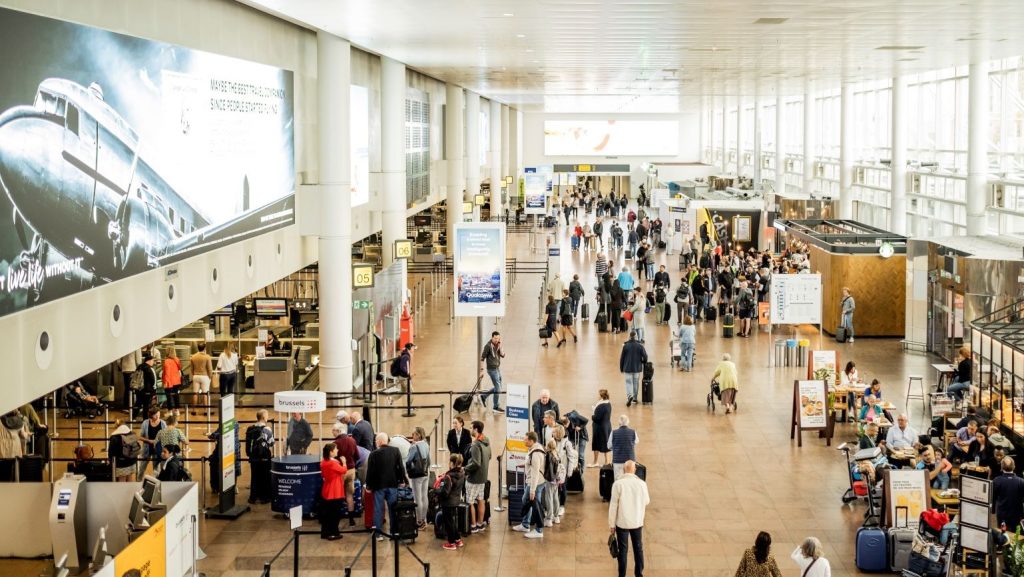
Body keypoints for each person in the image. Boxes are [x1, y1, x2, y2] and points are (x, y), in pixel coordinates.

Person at [608, 460, 650, 577]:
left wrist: (612, 525)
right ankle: (639, 573)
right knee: (638, 549)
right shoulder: (642, 484)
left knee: (623, 551)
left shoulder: (618, 484)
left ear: (624, 470)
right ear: (634, 470)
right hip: (637, 521)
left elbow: (613, 506)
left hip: (622, 523)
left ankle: (622, 575)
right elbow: (647, 501)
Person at [365, 432, 408, 540]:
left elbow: (370, 472)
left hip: (378, 486)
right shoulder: (395, 451)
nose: (375, 442)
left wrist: (369, 486)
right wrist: (402, 480)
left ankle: (378, 534)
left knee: (378, 510)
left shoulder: (373, 454)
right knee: (393, 509)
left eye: (376, 441)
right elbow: (400, 468)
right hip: (392, 484)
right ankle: (394, 533)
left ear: (379, 441)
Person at [512, 432, 547, 539]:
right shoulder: (535, 448)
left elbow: (536, 472)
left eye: (525, 439)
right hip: (535, 482)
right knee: (527, 501)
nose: (524, 441)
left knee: (535, 505)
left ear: (531, 441)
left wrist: (532, 490)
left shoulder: (536, 453)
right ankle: (526, 524)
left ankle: (538, 530)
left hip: (535, 483)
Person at [464, 420, 491, 533]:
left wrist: (465, 469)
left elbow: (476, 463)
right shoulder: (486, 440)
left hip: (474, 478)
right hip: (483, 477)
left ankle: (473, 525)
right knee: (481, 500)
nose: (470, 430)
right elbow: (489, 456)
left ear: (476, 429)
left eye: (471, 428)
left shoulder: (475, 444)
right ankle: (480, 524)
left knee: (470, 502)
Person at [435, 453, 467, 550]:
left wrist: (437, 490)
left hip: (448, 502)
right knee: (452, 521)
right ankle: (457, 539)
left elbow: (445, 492)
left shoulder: (448, 476)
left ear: (452, 463)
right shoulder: (462, 473)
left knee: (448, 522)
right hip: (456, 500)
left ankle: (451, 542)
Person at [331, 422, 360, 526]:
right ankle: (351, 520)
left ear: (338, 431)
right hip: (351, 470)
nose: (332, 432)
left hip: (340, 471)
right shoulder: (352, 440)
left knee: (338, 495)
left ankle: (336, 520)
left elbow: (332, 460)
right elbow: (357, 455)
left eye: (333, 430)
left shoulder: (335, 443)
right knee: (349, 495)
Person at [318, 442, 347, 540]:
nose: (337, 450)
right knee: (335, 514)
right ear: (331, 452)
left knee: (327, 514)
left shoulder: (323, 462)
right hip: (335, 492)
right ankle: (333, 533)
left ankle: (325, 532)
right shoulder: (333, 463)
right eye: (336, 449)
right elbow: (343, 470)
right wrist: (344, 462)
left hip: (326, 490)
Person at [245, 409, 275, 504]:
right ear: (264, 417)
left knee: (254, 476)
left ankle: (253, 497)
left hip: (253, 457)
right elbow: (271, 443)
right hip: (264, 457)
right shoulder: (267, 429)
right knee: (265, 477)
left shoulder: (250, 429)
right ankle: (265, 497)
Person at [994, 457, 1024, 533]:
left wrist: (993, 510)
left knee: (1002, 535)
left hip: (1002, 515)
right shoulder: (1021, 481)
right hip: (1016, 515)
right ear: (1014, 466)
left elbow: (992, 497)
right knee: (1015, 536)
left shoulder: (997, 480)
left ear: (1001, 467)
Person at [619, 331, 648, 407]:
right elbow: (645, 357)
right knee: (636, 383)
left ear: (630, 336)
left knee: (628, 382)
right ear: (636, 337)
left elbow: (622, 358)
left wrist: (621, 368)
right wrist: (642, 361)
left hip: (627, 368)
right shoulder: (640, 346)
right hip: (636, 368)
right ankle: (634, 398)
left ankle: (629, 396)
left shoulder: (626, 346)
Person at [479, 331, 505, 413]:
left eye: (498, 338)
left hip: (497, 368)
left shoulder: (498, 345)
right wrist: (482, 370)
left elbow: (503, 355)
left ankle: (484, 396)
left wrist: (500, 348)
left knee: (499, 387)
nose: (497, 340)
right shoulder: (488, 346)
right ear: (492, 337)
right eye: (495, 338)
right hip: (491, 370)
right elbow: (482, 358)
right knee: (498, 388)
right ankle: (496, 406)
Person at [608, 415, 638, 481]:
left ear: (619, 423)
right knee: (630, 480)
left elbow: (609, 446)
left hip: (617, 461)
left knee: (618, 480)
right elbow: (636, 442)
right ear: (628, 422)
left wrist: (616, 447)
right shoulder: (633, 432)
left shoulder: (613, 432)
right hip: (630, 460)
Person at [137, 408, 165, 477]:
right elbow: (140, 437)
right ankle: (138, 481)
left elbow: (165, 436)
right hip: (147, 450)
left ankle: (156, 484)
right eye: (156, 414)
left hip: (158, 450)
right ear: (151, 415)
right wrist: (149, 441)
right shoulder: (145, 423)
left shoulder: (163, 423)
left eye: (159, 414)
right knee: (141, 469)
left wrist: (157, 441)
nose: (158, 416)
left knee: (156, 471)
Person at [590, 389, 613, 467]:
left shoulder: (601, 405)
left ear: (601, 396)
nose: (597, 396)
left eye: (598, 394)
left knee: (596, 444)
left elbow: (596, 418)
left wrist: (592, 414)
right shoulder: (608, 403)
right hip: (607, 426)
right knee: (607, 443)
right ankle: (607, 462)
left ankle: (595, 461)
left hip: (599, 428)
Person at [189, 342, 214, 411]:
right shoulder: (207, 357)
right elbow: (210, 369)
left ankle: (193, 410)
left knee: (195, 393)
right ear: (205, 348)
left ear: (198, 348)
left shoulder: (193, 357)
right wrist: (210, 377)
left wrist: (193, 376)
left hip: (196, 376)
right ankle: (206, 410)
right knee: (205, 394)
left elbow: (191, 369)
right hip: (205, 377)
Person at [161, 347, 183, 415]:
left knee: (169, 396)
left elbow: (167, 372)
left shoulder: (167, 361)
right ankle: (177, 410)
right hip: (177, 380)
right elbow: (180, 368)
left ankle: (170, 411)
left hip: (169, 381)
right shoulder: (177, 359)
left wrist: (166, 382)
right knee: (176, 395)